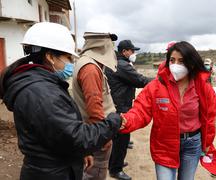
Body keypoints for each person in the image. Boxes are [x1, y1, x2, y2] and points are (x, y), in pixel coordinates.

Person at [0, 22, 121, 180]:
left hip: (55, 165)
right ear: (50, 56)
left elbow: (58, 133)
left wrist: (77, 155)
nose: (70, 63)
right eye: (67, 57)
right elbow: (76, 139)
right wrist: (113, 120)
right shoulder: (41, 92)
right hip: (51, 173)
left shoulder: (38, 82)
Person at [119, 41, 216, 180]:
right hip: (164, 143)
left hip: (192, 144)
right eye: (172, 60)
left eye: (181, 61)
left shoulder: (202, 87)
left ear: (191, 63)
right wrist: (127, 121)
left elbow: (209, 117)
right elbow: (140, 110)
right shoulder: (157, 86)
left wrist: (207, 143)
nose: (176, 65)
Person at [72, 32, 118, 180]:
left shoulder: (88, 63)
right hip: (96, 134)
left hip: (94, 131)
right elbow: (94, 105)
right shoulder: (90, 68)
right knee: (95, 173)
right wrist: (103, 136)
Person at [105, 40, 152, 180]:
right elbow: (140, 80)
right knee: (121, 140)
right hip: (121, 106)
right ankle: (116, 169)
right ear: (125, 51)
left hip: (117, 103)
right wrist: (160, 80)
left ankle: (113, 163)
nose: (134, 53)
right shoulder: (122, 65)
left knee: (116, 137)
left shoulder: (116, 62)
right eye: (132, 51)